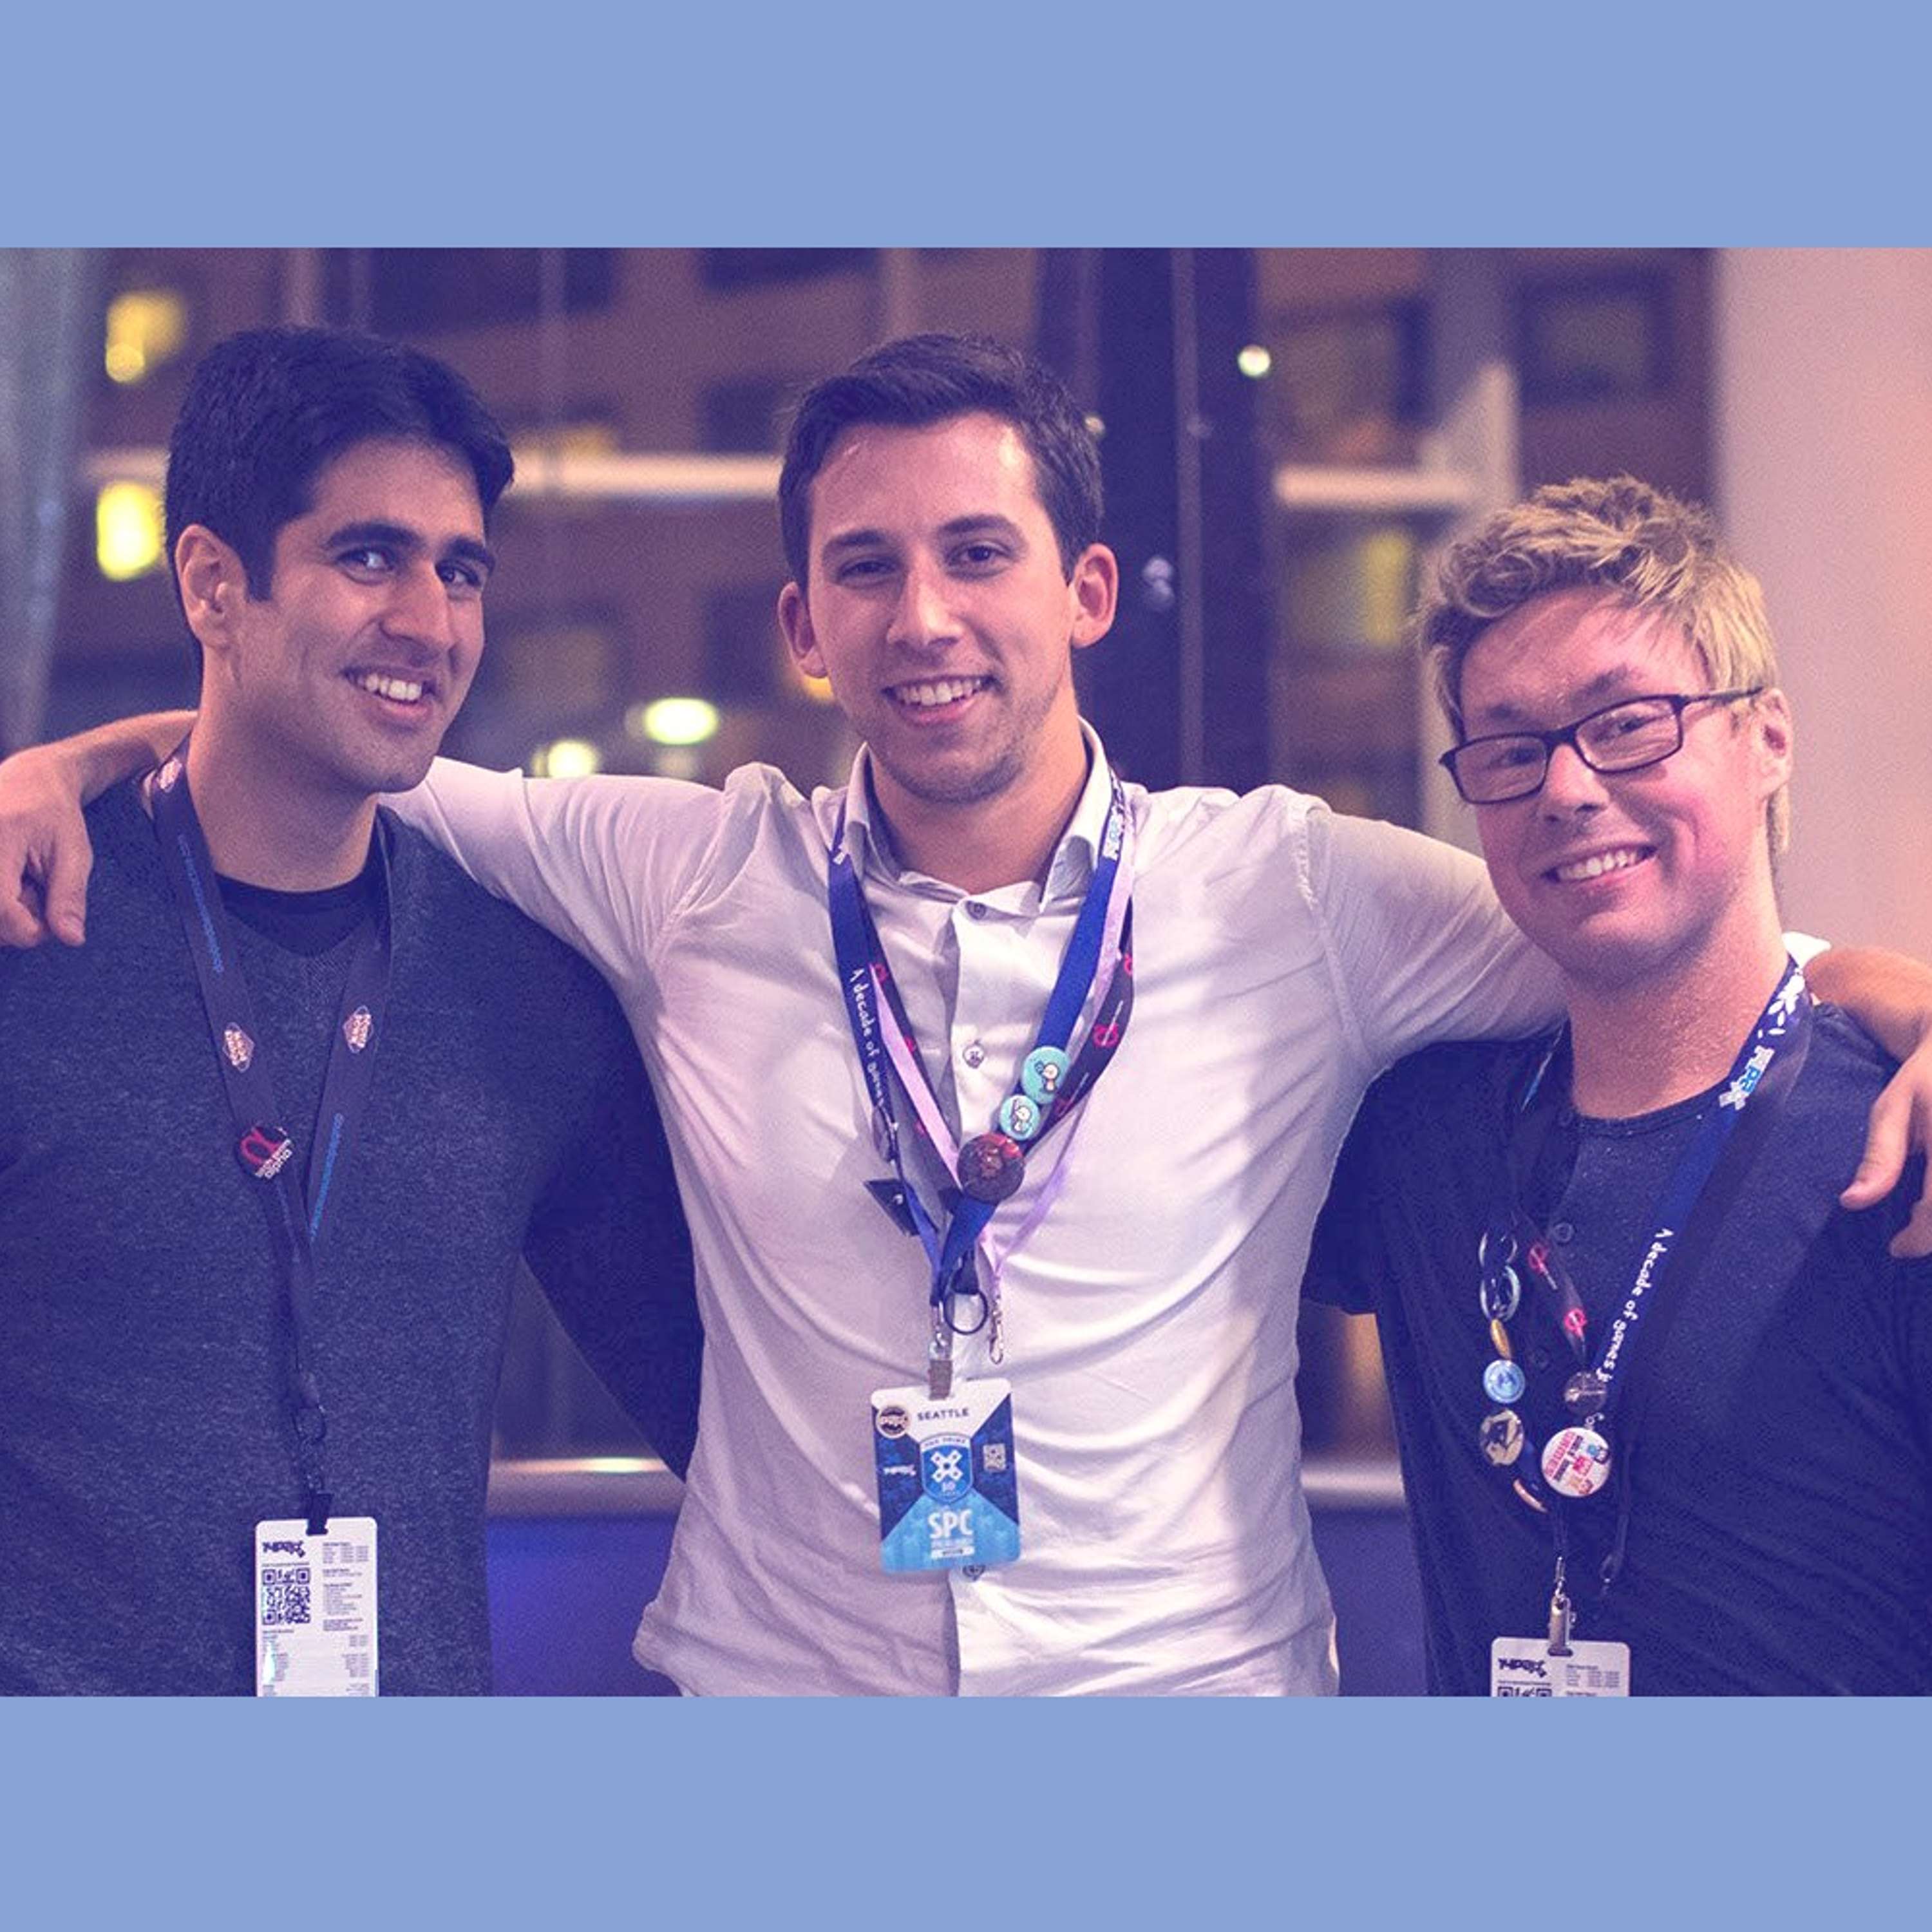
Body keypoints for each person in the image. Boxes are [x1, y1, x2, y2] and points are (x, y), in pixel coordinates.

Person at [6, 339, 1927, 1697]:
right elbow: (351, 734)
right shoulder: (686, 874)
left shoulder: (1299, 896)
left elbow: (1638, 926)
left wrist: (1890, 994)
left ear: (1084, 589)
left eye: (977, 554)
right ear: (802, 627)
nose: (924, 615)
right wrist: (68, 764)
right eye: (867, 568)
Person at [0, 326, 701, 1696]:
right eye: (369, 557)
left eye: (462, 571)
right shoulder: (36, 933)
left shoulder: (525, 993)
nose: (431, 624)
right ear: (213, 585)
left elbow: (717, 1396)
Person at [1303, 477, 1932, 1694]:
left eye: (1630, 722)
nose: (1568, 788)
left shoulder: (1899, 1146)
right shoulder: (1419, 1140)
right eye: (1512, 749)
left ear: (1768, 739)